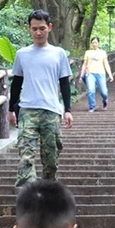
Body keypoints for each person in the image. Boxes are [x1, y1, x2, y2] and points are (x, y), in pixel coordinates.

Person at [9, 10, 74, 188]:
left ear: (49, 28)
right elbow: (17, 82)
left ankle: (48, 192)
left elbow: (64, 83)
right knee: (26, 154)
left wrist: (68, 110)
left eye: (42, 28)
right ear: (29, 29)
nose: (38, 33)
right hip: (27, 109)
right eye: (34, 29)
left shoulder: (59, 54)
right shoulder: (22, 54)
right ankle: (26, 195)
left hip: (51, 110)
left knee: (51, 157)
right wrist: (10, 109)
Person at [78, 37, 111, 112]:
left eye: (96, 42)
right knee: (91, 90)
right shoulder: (88, 52)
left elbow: (106, 64)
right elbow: (84, 64)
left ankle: (105, 100)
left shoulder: (103, 52)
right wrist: (81, 75)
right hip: (90, 73)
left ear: (98, 43)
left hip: (100, 73)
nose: (94, 44)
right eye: (93, 42)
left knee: (104, 92)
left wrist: (110, 74)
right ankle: (92, 106)